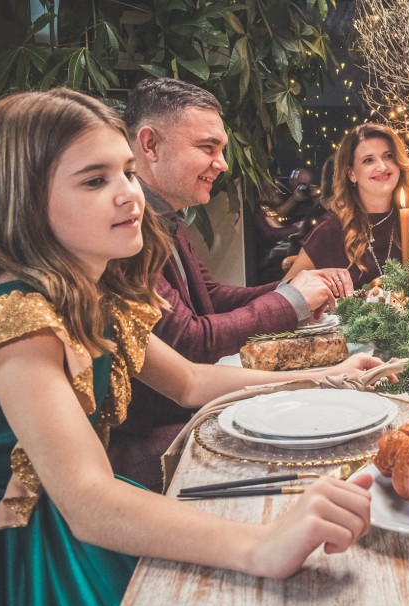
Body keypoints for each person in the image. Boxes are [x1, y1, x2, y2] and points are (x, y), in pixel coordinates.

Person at [0, 89, 382, 606]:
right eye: (95, 180)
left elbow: (188, 382)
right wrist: (260, 544)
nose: (128, 194)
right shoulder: (17, 322)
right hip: (23, 552)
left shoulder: (95, 296)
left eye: (127, 172)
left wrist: (329, 378)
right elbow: (87, 501)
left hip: (78, 519)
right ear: (20, 197)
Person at [115, 78, 355, 489]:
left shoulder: (168, 218)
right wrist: (292, 301)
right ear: (150, 145)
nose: (223, 163)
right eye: (207, 148)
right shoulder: (127, 233)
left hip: (185, 410)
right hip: (154, 436)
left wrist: (295, 286)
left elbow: (213, 299)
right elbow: (189, 341)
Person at [284, 123, 409, 289]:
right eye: (368, 160)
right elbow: (287, 291)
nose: (382, 167)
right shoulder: (332, 229)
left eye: (388, 156)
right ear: (351, 173)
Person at [255, 167, 325, 282]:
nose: (304, 188)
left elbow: (319, 219)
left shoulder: (311, 201)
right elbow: (275, 222)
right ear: (291, 181)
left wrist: (315, 200)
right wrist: (294, 199)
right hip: (275, 258)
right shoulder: (283, 194)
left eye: (308, 185)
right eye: (301, 184)